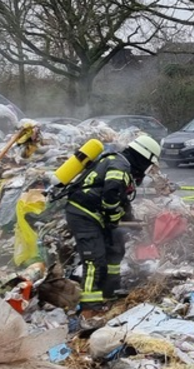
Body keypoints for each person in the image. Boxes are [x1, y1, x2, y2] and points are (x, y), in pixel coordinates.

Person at [65, 134, 161, 322]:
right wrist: (114, 220)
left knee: (116, 249)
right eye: (149, 165)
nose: (147, 171)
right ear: (143, 157)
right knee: (94, 259)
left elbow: (122, 200)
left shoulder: (121, 163)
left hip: (96, 214)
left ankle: (109, 292)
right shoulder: (120, 167)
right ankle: (89, 309)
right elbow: (110, 197)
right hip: (83, 213)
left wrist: (132, 223)